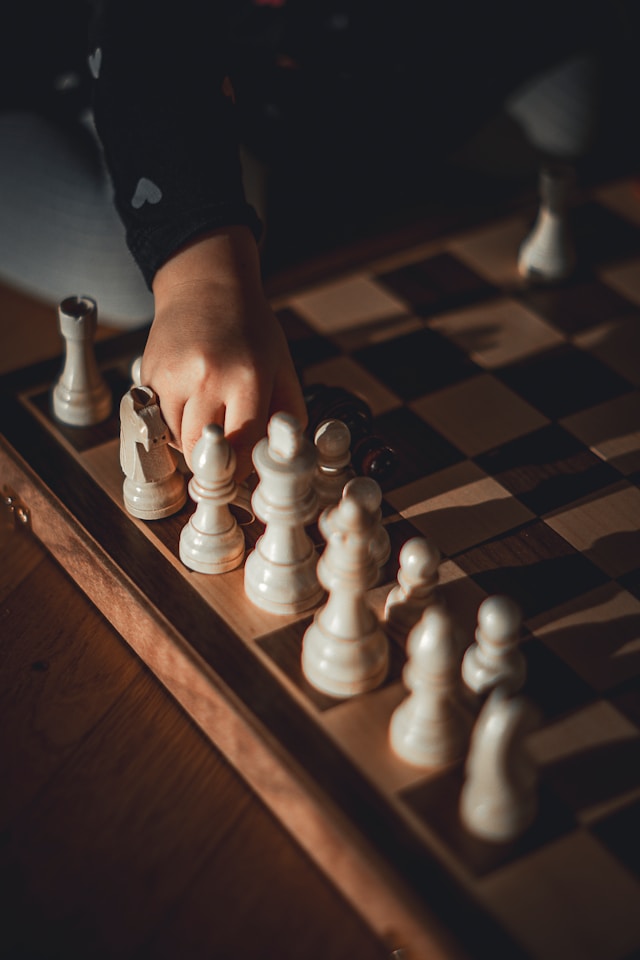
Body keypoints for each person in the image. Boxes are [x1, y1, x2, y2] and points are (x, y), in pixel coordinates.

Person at [1, 1, 636, 480]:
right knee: (123, 265)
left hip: (348, 48)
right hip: (96, 51)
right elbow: (149, 35)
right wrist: (204, 274)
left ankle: (295, 151)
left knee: (570, 109)